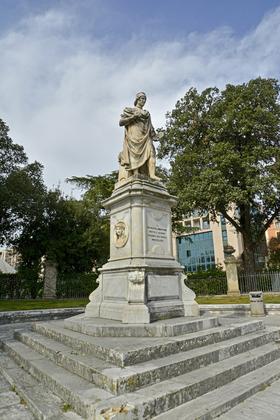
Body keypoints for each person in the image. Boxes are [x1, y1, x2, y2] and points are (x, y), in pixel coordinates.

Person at [118, 92, 160, 181]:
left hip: (145, 136)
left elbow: (150, 127)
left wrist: (155, 136)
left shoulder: (147, 114)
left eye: (144, 99)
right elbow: (121, 122)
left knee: (152, 152)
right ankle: (135, 172)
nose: (143, 101)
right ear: (137, 99)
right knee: (135, 152)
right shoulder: (130, 110)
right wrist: (133, 117)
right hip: (134, 133)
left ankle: (152, 175)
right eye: (142, 99)